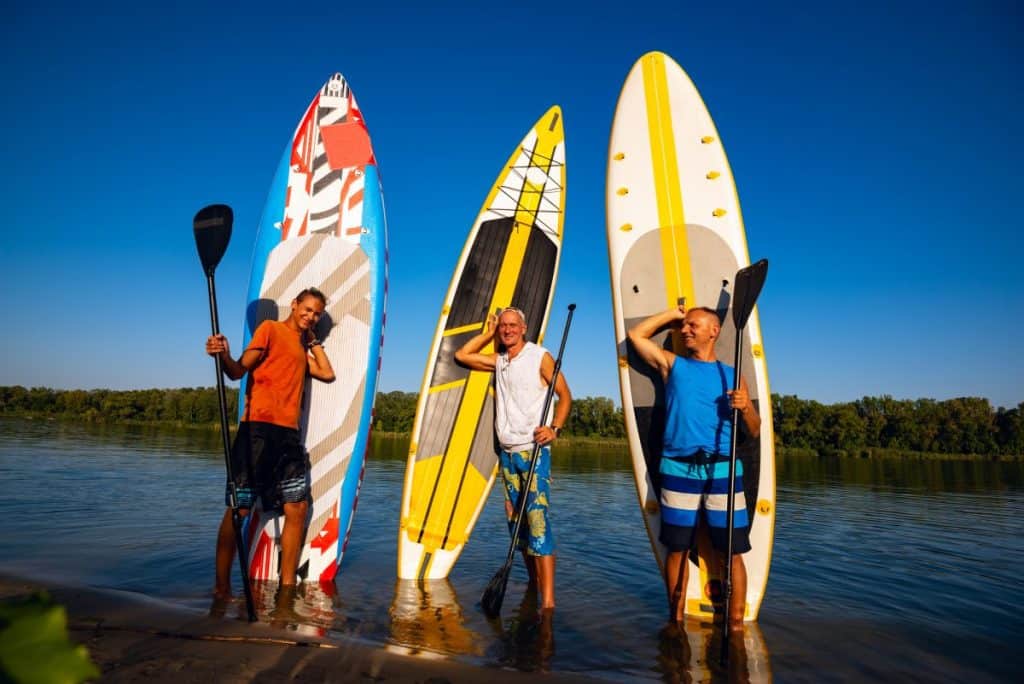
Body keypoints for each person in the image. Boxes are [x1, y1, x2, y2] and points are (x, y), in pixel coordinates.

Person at [627, 304, 761, 629]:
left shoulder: (732, 374)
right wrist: (672, 315)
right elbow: (635, 336)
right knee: (677, 548)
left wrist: (745, 409)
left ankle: (737, 625)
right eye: (684, 326)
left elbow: (755, 431)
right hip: (677, 468)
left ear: (714, 331)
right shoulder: (673, 365)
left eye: (693, 325)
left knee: (731, 552)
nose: (685, 330)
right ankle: (674, 620)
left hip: (723, 470)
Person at [205, 287, 336, 597]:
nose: (310, 316)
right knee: (240, 510)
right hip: (257, 432)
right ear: (294, 305)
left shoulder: (303, 348)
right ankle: (222, 587)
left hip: (288, 437)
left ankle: (287, 585)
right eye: (306, 309)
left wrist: (314, 341)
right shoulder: (270, 330)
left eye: (316, 313)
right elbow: (237, 371)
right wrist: (222, 354)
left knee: (297, 508)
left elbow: (327, 373)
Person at [455, 306, 572, 610]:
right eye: (503, 326)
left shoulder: (539, 356)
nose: (507, 330)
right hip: (507, 454)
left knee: (538, 522)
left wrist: (554, 429)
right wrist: (488, 333)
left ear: (524, 328)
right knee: (516, 524)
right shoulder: (500, 361)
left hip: (533, 451)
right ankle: (534, 584)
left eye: (512, 325)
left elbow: (565, 395)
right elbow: (463, 355)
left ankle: (548, 602)